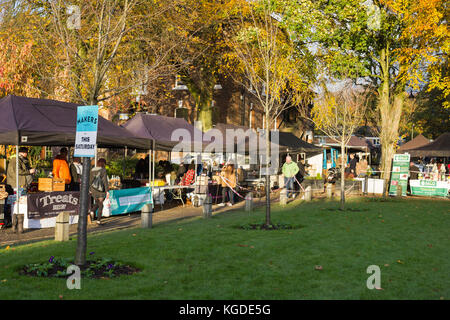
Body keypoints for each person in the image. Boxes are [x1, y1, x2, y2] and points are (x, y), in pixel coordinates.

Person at [7, 147, 36, 233]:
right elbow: (18, 171)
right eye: (26, 152)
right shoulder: (16, 160)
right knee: (18, 203)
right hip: (17, 184)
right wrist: (29, 171)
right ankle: (16, 226)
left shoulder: (21, 159)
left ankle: (17, 226)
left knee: (20, 203)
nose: (27, 154)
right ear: (23, 152)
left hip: (20, 184)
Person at [89, 158, 109, 225]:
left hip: (93, 189)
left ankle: (92, 211)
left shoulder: (92, 170)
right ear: (104, 163)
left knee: (98, 203)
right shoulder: (103, 170)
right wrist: (107, 191)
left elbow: (90, 181)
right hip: (101, 190)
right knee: (101, 205)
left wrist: (89, 189)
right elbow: (105, 181)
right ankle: (98, 221)